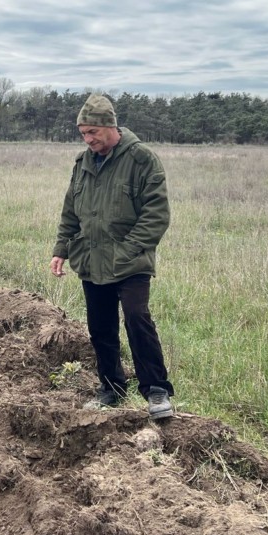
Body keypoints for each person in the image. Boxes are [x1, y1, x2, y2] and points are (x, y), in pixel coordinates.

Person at [50, 94, 175, 419]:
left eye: (93, 132)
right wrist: (61, 250)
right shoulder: (83, 164)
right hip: (91, 260)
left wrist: (129, 249)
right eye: (83, 134)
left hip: (130, 262)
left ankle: (157, 390)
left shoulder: (141, 160)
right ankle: (111, 388)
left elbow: (157, 214)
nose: (88, 139)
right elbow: (70, 212)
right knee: (100, 327)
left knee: (137, 319)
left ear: (110, 127)